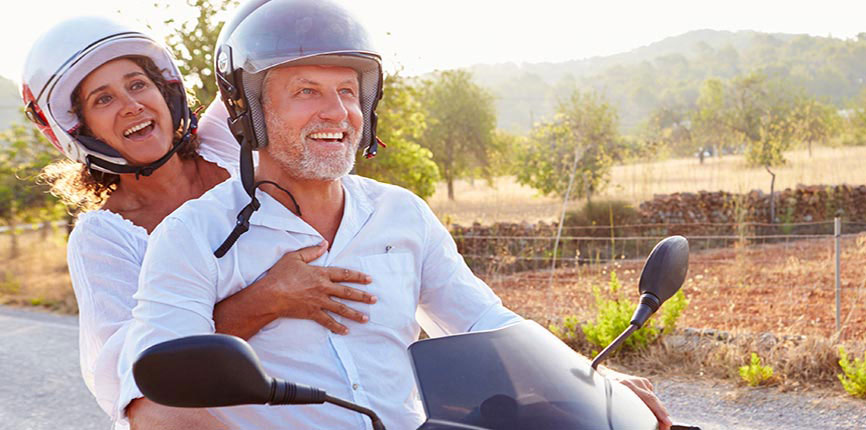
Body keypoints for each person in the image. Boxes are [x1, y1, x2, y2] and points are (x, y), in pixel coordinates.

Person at [117, 0, 673, 429]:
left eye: (348, 91)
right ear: (251, 112)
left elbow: (484, 320)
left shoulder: (401, 214)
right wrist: (257, 306)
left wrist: (592, 380)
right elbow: (160, 395)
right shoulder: (193, 237)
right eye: (306, 91)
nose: (337, 112)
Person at [22, 15, 377, 428]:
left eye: (138, 84)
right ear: (80, 130)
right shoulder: (103, 236)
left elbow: (263, 26)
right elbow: (139, 376)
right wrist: (266, 299)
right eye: (103, 99)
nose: (131, 105)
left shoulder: (227, 142)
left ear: (167, 91)